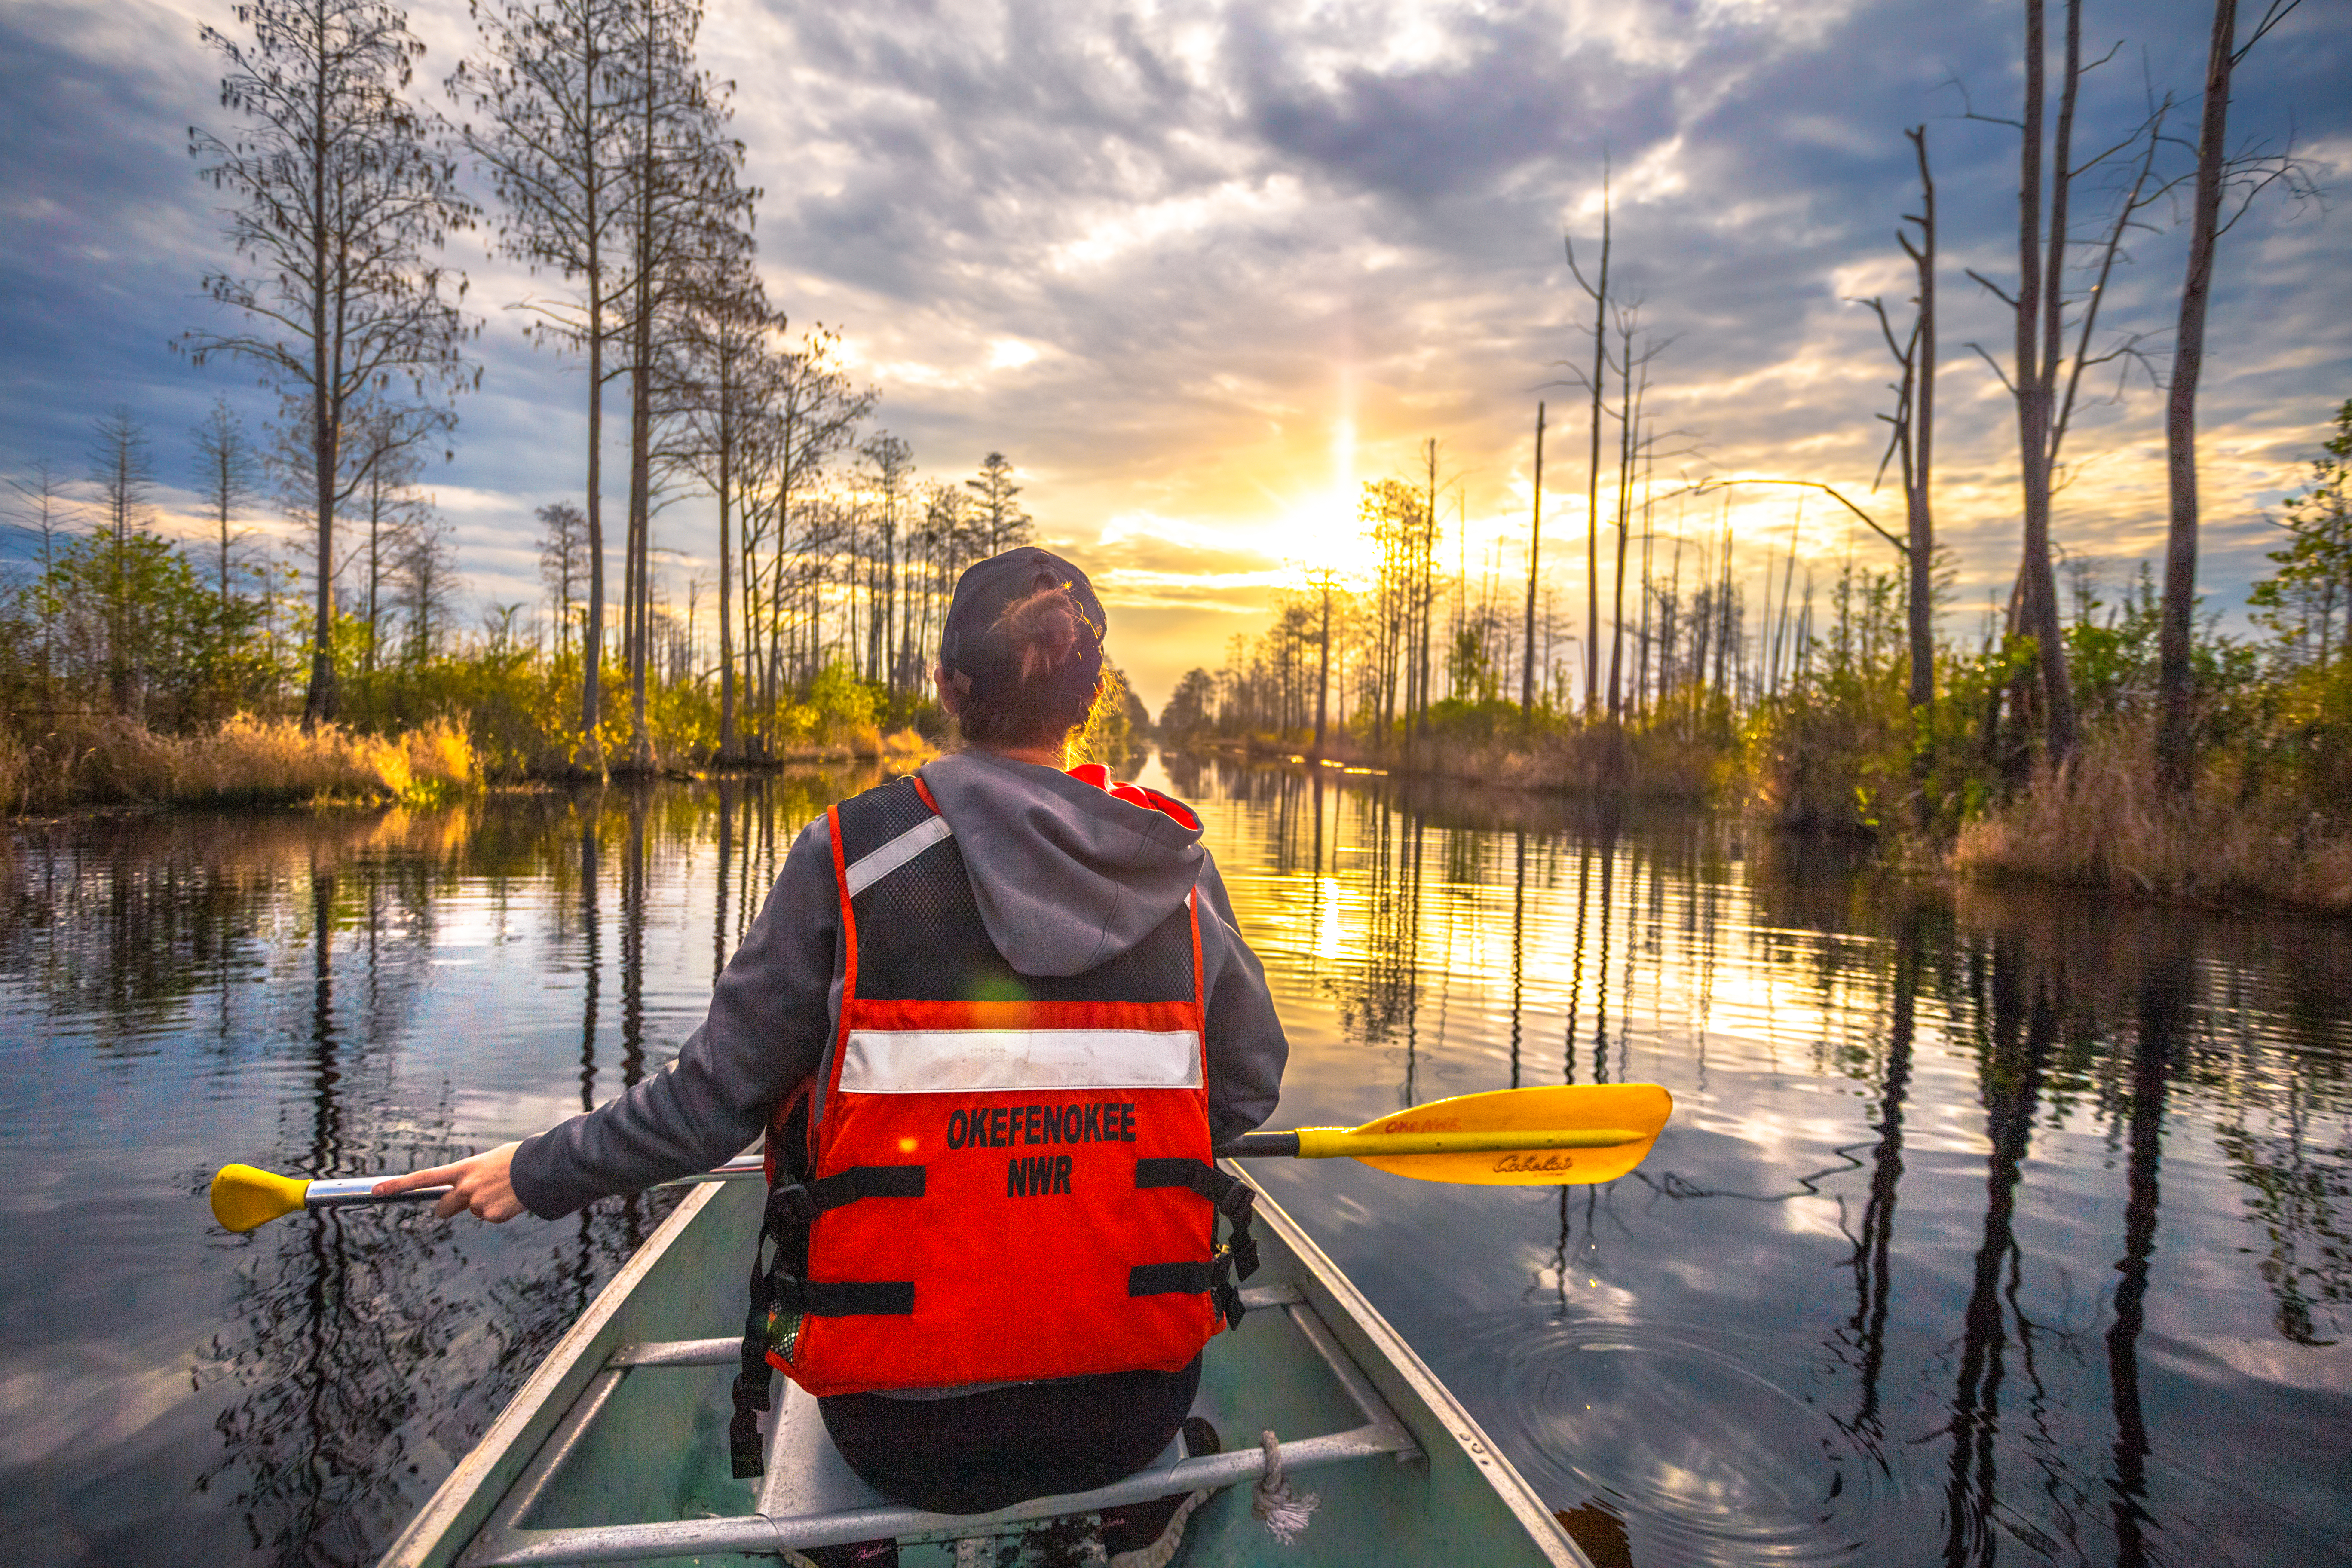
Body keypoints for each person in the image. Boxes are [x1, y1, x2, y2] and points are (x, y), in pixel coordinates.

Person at [380, 547, 1288, 1525]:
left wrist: (536, 1169)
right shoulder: (1178, 873)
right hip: (1131, 1409)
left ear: (945, 686)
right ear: (1092, 694)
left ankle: (847, 1542)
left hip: (905, 1437)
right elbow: (1242, 1093)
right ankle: (1140, 1517)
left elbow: (708, 1107)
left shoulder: (854, 855)